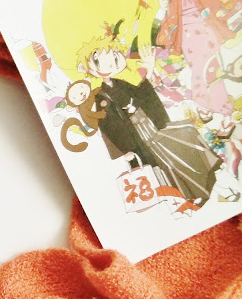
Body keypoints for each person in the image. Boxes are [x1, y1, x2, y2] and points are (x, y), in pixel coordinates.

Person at [77, 35, 223, 205]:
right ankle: (190, 194)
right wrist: (124, 150)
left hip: (149, 125)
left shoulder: (120, 83)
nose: (110, 65)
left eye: (114, 58)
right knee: (165, 162)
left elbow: (143, 94)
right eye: (100, 62)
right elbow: (108, 126)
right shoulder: (101, 96)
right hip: (136, 137)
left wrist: (150, 70)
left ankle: (203, 184)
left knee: (185, 135)